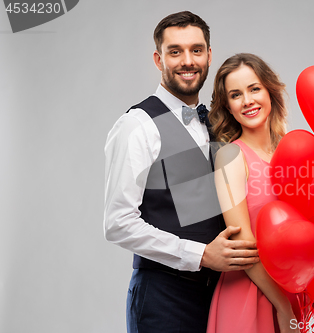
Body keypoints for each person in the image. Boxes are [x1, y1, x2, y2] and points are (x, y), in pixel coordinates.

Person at [103, 12, 260, 333]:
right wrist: (201, 254)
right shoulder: (136, 125)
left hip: (222, 295)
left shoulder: (218, 123)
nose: (188, 61)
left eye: (196, 50)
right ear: (159, 59)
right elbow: (117, 223)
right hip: (164, 296)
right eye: (175, 52)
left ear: (209, 55)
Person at [206, 53, 299, 333]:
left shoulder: (293, 151)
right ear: (228, 107)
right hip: (249, 294)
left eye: (254, 88)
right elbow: (242, 242)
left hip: (293, 293)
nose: (247, 101)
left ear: (270, 91)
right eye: (236, 95)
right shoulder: (231, 156)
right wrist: (284, 307)